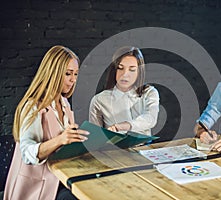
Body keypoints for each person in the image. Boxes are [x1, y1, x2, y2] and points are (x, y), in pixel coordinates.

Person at [4, 45, 89, 200]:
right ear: (53, 73)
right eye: (68, 73)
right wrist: (60, 139)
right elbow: (27, 154)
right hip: (37, 188)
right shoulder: (33, 107)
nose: (73, 79)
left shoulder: (65, 103)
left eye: (76, 74)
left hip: (58, 179)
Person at [89, 46, 159, 136]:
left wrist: (123, 126)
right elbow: (96, 137)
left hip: (144, 147)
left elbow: (150, 118)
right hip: (113, 148)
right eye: (120, 68)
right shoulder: (99, 100)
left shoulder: (149, 92)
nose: (125, 75)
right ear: (114, 70)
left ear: (139, 72)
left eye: (132, 70)